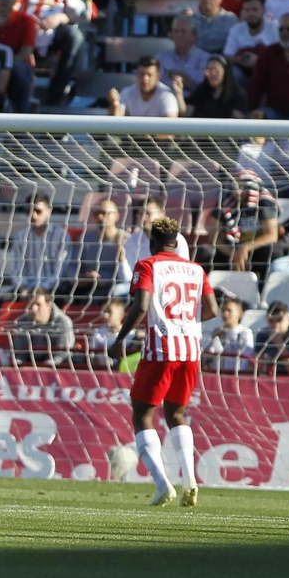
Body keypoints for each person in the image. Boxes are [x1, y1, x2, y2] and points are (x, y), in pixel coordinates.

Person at [108, 216, 219, 508]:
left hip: (162, 348)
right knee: (176, 414)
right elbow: (212, 309)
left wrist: (120, 339)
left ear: (151, 242)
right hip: (190, 351)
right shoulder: (196, 269)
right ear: (177, 240)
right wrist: (187, 322)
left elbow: (141, 306)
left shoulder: (147, 265)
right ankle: (191, 480)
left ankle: (161, 484)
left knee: (142, 414)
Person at [10, 191, 69, 296]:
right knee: (2, 301)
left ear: (49, 211)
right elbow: (17, 269)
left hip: (53, 289)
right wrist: (23, 287)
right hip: (27, 289)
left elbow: (61, 272)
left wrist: (41, 290)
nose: (33, 215)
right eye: (29, 211)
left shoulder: (61, 236)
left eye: (38, 211)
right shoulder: (21, 237)